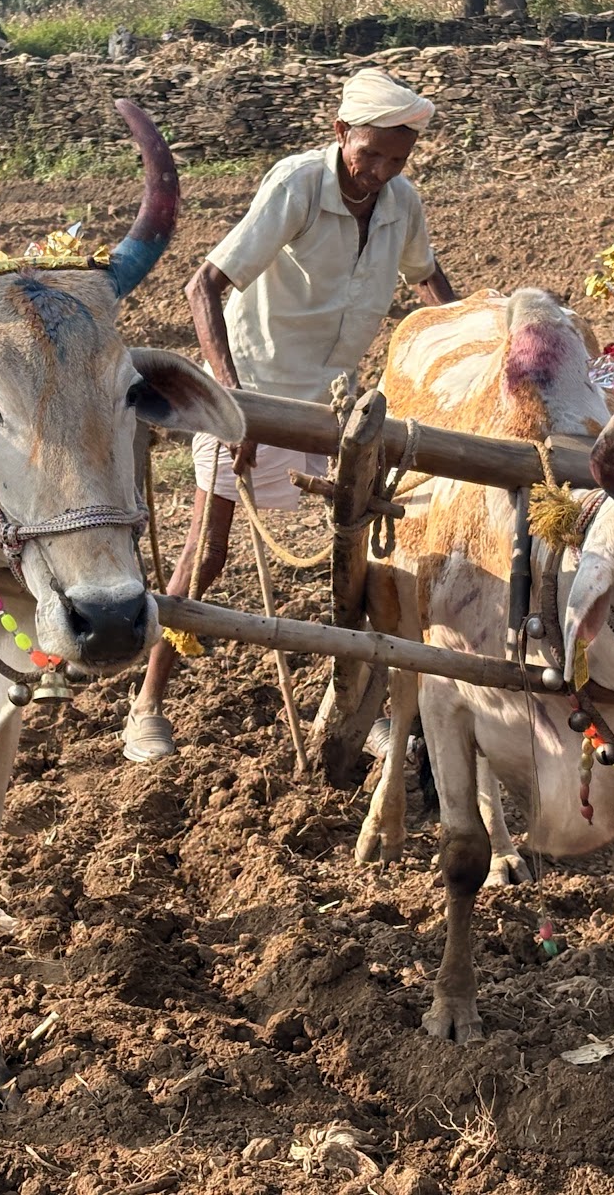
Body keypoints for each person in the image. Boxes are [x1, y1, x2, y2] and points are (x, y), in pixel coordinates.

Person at [124, 67, 458, 763]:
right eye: (371, 155)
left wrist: (465, 336)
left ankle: (361, 706)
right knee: (208, 554)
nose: (381, 172)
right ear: (341, 134)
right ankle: (148, 704)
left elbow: (427, 280)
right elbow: (204, 286)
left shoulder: (402, 202)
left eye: (398, 160)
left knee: (363, 563)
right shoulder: (298, 184)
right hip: (262, 392)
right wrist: (232, 403)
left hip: (339, 402)